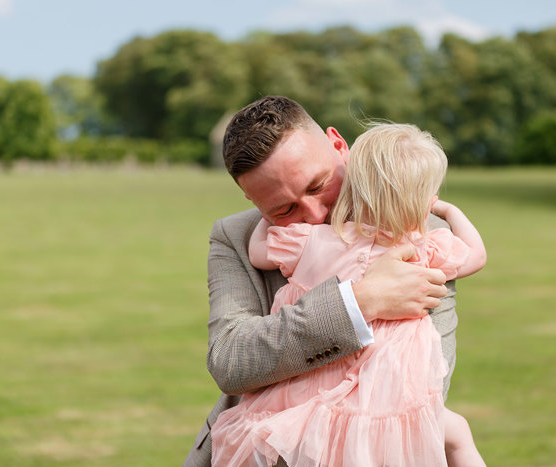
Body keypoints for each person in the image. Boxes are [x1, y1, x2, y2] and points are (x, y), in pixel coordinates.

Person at [183, 97, 461, 467]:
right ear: (252, 200)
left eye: (318, 186)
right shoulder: (235, 235)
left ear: (339, 145)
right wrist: (358, 303)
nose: (314, 216)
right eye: (284, 210)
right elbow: (231, 360)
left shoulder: (418, 232)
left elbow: (423, 384)